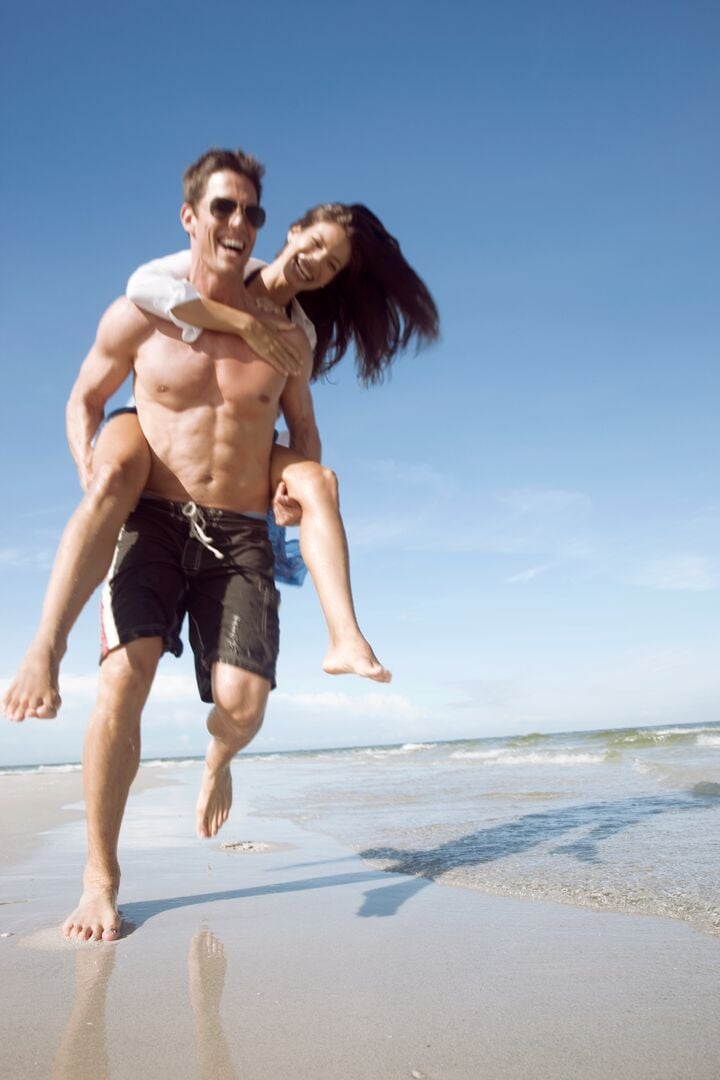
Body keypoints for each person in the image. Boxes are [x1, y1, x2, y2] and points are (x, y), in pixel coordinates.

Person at [3, 186, 439, 727]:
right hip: (152, 442)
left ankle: (345, 637)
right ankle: (45, 649)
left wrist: (292, 500)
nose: (316, 265)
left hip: (239, 483)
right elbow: (110, 348)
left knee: (319, 480)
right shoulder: (183, 281)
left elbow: (304, 426)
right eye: (316, 246)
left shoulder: (295, 335)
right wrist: (85, 466)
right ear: (295, 230)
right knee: (112, 476)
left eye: (330, 266)